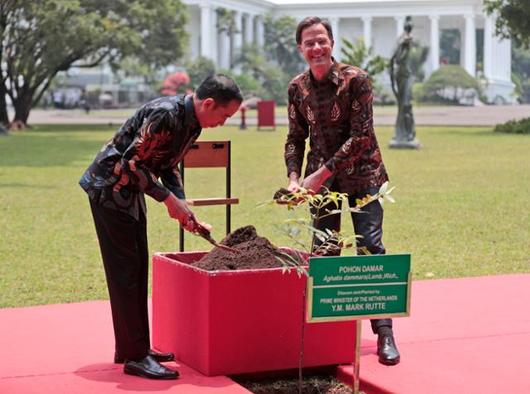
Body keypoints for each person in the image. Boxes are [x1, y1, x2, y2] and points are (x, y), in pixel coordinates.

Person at [79, 74, 242, 379]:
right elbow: (130, 163)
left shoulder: (193, 122)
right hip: (109, 188)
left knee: (137, 268)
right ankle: (136, 356)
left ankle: (133, 348)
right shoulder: (166, 114)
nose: (224, 122)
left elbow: (167, 165)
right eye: (224, 115)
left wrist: (183, 206)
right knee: (126, 272)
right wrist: (168, 201)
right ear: (208, 103)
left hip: (129, 190)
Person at [284, 17, 400, 366]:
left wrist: (320, 174)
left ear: (332, 43)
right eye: (309, 43)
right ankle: (326, 337)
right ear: (300, 48)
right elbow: (295, 137)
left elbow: (361, 136)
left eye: (322, 40)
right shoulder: (296, 87)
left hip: (364, 177)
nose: (316, 48)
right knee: (323, 252)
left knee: (370, 248)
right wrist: (293, 177)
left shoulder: (356, 80)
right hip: (319, 185)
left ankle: (384, 333)